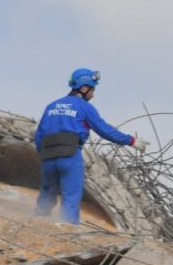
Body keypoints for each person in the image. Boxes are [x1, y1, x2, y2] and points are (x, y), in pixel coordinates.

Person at [32, 67, 144, 223]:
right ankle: (67, 229)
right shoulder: (85, 107)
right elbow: (104, 130)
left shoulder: (52, 106)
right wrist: (131, 141)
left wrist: (44, 155)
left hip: (48, 156)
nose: (93, 93)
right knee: (71, 195)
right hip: (70, 156)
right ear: (84, 88)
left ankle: (37, 222)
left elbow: (39, 135)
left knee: (47, 192)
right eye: (92, 89)